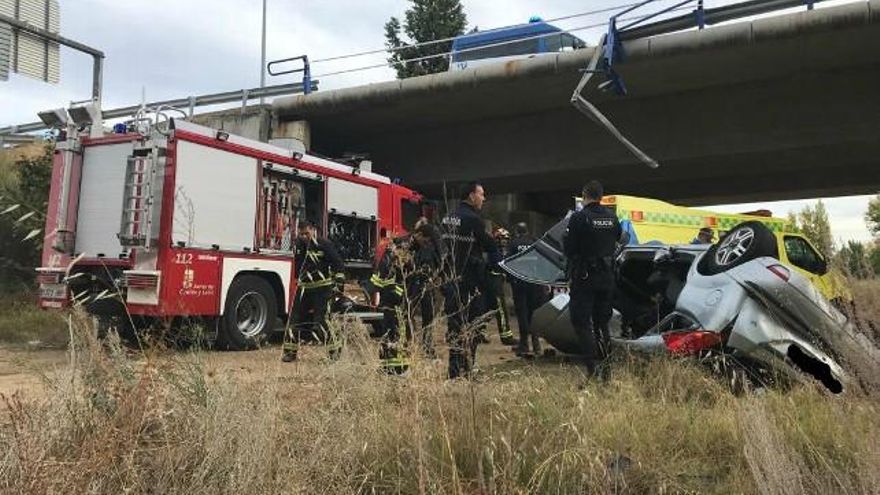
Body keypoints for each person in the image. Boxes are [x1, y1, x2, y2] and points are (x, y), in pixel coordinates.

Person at [563, 180, 622, 381]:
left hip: (585, 277)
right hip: (607, 278)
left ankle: (592, 371)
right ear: (601, 196)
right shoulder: (612, 217)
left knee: (581, 322)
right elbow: (619, 239)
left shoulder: (579, 217)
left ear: (584, 196)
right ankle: (607, 373)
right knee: (602, 324)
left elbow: (569, 249)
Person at [440, 181, 500, 379]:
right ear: (471, 196)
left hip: (451, 281)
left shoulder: (447, 217)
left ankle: (454, 371)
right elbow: (490, 246)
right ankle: (467, 367)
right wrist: (495, 263)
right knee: (474, 325)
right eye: (481, 194)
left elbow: (443, 249)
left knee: (454, 326)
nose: (483, 198)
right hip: (470, 282)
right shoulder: (474, 220)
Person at [282, 220, 346, 362]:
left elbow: (338, 264)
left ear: (313, 229)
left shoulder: (324, 244)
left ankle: (334, 353)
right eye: (301, 234)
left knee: (322, 322)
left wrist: (338, 285)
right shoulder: (299, 246)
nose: (304, 237)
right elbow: (298, 265)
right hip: (304, 288)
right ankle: (290, 352)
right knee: (294, 319)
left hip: (322, 289)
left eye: (306, 233)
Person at [366, 236, 413, 374]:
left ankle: (399, 367)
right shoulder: (390, 259)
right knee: (391, 333)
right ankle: (389, 366)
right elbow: (379, 279)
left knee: (397, 333)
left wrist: (397, 293)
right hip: (391, 303)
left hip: (395, 303)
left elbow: (408, 281)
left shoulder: (399, 260)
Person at [508, 222, 545, 358]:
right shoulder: (535, 242)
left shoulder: (514, 243)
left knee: (522, 313)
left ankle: (524, 344)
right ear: (527, 231)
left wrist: (510, 280)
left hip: (520, 282)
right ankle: (536, 344)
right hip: (535, 282)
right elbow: (542, 261)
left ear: (517, 231)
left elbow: (509, 262)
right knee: (533, 313)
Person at [409, 220, 444, 358]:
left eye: (418, 234)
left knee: (425, 316)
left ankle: (425, 346)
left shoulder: (428, 249)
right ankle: (420, 345)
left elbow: (430, 268)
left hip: (424, 286)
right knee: (419, 316)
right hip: (419, 286)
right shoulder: (418, 246)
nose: (415, 237)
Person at [482, 226, 517, 347]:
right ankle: (506, 336)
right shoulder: (494, 251)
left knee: (488, 309)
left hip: (492, 281)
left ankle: (479, 332)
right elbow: (498, 266)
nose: (504, 242)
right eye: (502, 239)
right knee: (501, 309)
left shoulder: (499, 251)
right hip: (494, 282)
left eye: (506, 240)